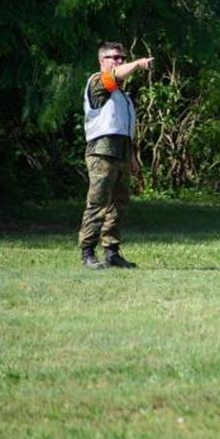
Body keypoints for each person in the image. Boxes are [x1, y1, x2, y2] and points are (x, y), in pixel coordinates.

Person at [77, 42, 154, 269]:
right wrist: (138, 64)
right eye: (115, 58)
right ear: (103, 61)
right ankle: (88, 252)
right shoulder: (99, 82)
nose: (120, 62)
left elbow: (124, 129)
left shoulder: (123, 95)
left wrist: (132, 158)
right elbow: (116, 75)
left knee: (119, 205)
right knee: (98, 202)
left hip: (121, 152)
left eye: (123, 58)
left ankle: (111, 252)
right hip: (102, 151)